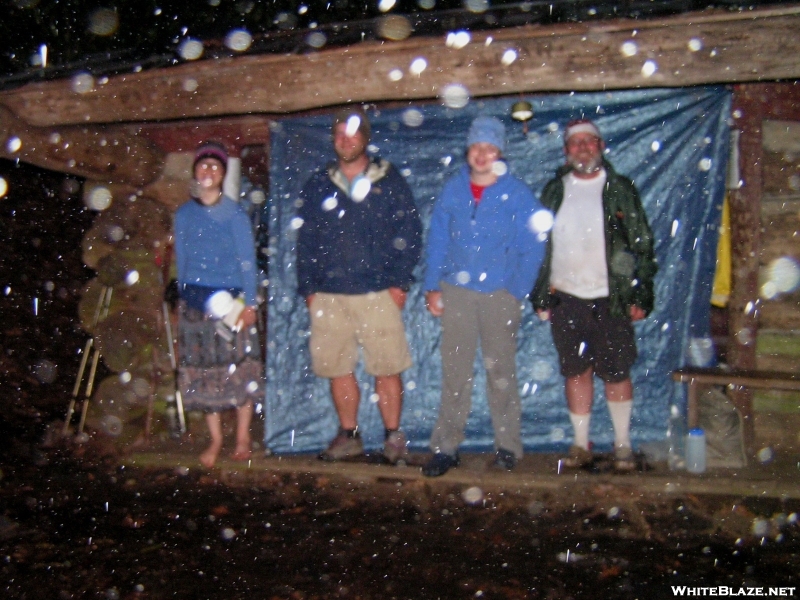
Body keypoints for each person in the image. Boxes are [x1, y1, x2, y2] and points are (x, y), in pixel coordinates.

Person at [296, 106, 422, 464]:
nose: (345, 140)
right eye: (338, 134)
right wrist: (309, 289)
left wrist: (399, 282)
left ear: (365, 138)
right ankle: (349, 436)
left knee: (387, 366)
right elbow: (304, 241)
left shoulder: (389, 180)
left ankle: (393, 437)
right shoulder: (318, 183)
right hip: (329, 296)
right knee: (337, 368)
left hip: (378, 292)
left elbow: (409, 233)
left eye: (352, 133)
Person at [421, 116, 546, 477]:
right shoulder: (453, 190)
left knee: (501, 371)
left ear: (500, 153)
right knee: (455, 372)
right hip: (457, 292)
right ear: (468, 150)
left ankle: (508, 446)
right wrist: (432, 285)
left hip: (499, 296)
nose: (482, 154)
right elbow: (439, 240)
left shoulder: (517, 193)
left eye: (490, 148)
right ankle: (446, 447)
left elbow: (534, 241)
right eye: (477, 147)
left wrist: (517, 288)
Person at [530, 119, 658, 472]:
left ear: (601, 146)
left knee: (616, 372)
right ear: (566, 151)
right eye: (576, 143)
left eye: (590, 142)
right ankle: (580, 443)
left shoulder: (620, 189)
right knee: (576, 372)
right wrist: (541, 294)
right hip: (566, 298)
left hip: (611, 299)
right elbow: (539, 246)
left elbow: (641, 244)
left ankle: (622, 445)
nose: (583, 148)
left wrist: (641, 293)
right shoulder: (554, 191)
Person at [173, 141, 264, 468]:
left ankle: (242, 435)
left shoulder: (235, 214)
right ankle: (216, 439)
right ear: (195, 171)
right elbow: (181, 259)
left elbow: (247, 263)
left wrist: (250, 303)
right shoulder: (183, 214)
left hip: (233, 301)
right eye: (203, 165)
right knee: (203, 372)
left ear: (223, 174)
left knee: (240, 368)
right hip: (196, 303)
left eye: (215, 166)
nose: (208, 171)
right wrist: (181, 297)